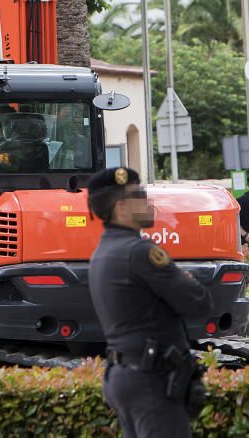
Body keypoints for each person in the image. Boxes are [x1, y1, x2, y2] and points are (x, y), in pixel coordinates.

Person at [88, 166, 213, 438]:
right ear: (121, 208)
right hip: (151, 381)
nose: (148, 201)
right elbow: (199, 303)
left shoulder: (102, 253)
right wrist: (186, 279)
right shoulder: (140, 252)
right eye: (140, 194)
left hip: (126, 375)